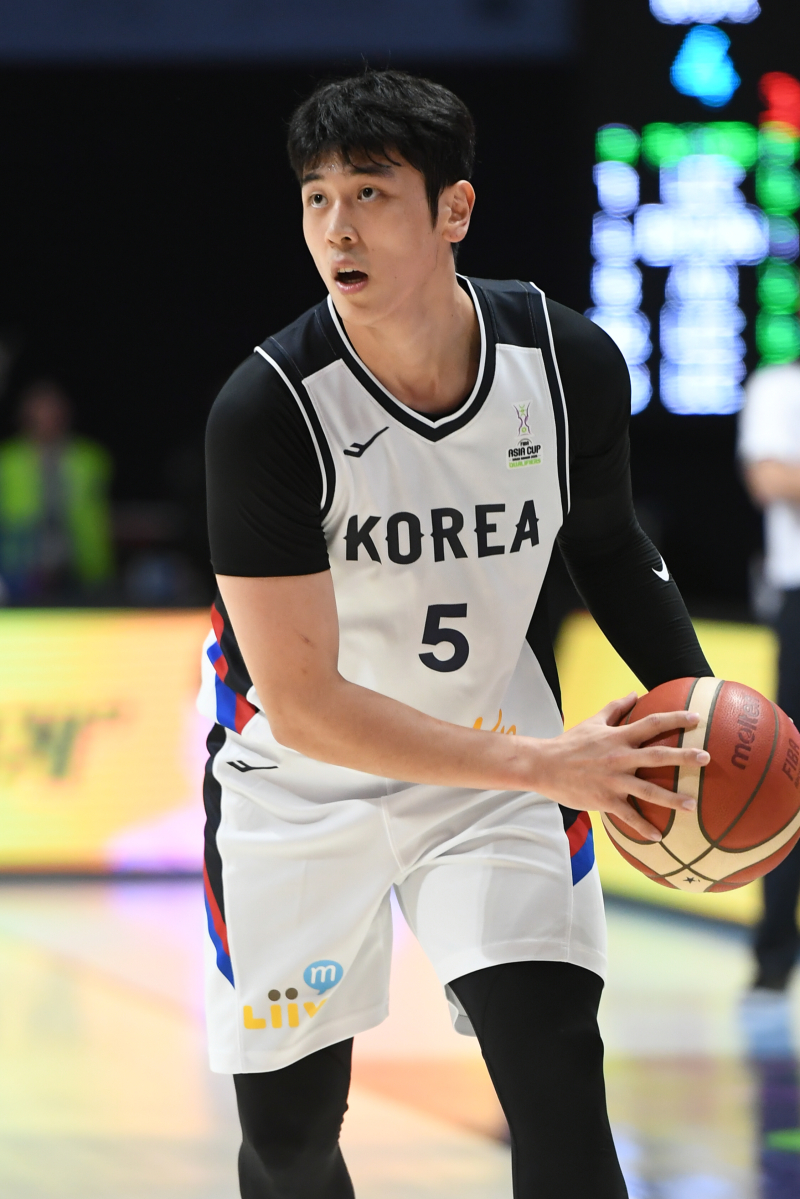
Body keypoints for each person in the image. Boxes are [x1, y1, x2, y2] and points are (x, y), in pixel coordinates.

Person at [199, 70, 712, 1199]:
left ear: (453, 209)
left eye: (370, 193)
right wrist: (550, 766)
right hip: (300, 784)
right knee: (289, 1137)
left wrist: (708, 717)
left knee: (555, 1062)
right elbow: (306, 704)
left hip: (491, 761)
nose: (336, 227)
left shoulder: (562, 362)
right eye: (316, 198)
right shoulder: (269, 409)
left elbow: (608, 547)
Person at [739, 359, 800, 992]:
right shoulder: (779, 386)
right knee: (789, 774)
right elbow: (770, 475)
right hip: (798, 598)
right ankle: (774, 952)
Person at [0, 380, 114, 603]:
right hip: (22, 566)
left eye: (53, 413)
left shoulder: (90, 458)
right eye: (40, 413)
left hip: (81, 564)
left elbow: (99, 513)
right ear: (26, 417)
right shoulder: (7, 461)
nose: (47, 420)